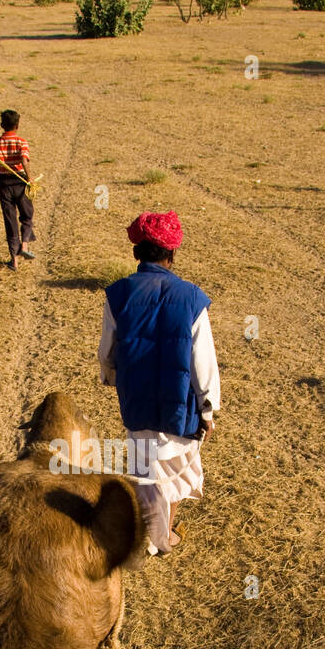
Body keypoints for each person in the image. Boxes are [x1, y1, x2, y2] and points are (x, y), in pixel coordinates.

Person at [97, 210, 221, 556]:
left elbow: (108, 350)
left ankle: (151, 534)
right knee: (173, 470)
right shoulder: (192, 298)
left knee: (145, 469)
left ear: (137, 252)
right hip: (179, 407)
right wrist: (208, 409)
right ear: (172, 254)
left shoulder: (118, 294)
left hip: (137, 401)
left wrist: (112, 377)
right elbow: (203, 362)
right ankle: (163, 534)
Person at [0, 108, 36, 272]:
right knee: (27, 215)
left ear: (2, 125)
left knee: (10, 222)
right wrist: (30, 178)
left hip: (3, 183)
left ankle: (14, 261)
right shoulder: (21, 142)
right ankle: (24, 244)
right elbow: (24, 160)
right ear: (17, 125)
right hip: (20, 180)